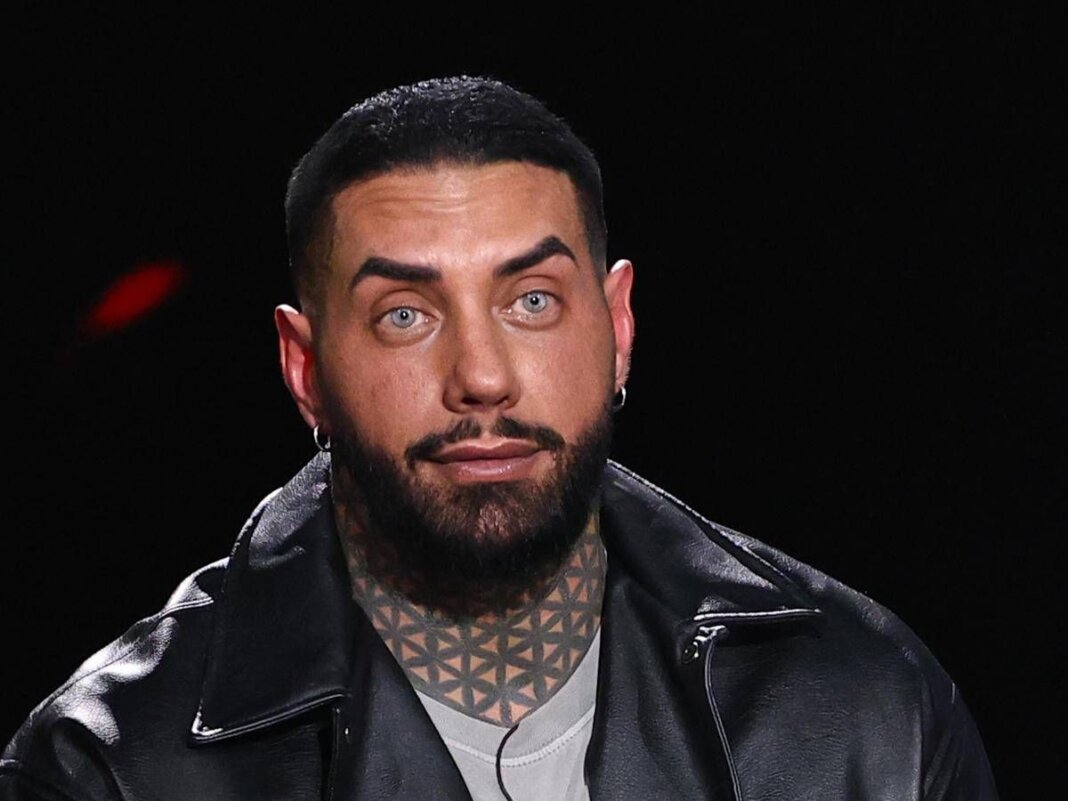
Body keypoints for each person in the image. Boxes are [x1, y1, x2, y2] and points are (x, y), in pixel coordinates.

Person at [2, 76, 998, 800]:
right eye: (405, 314)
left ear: (618, 327)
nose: (481, 374)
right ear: (306, 368)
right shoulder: (113, 767)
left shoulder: (869, 710)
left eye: (531, 300)